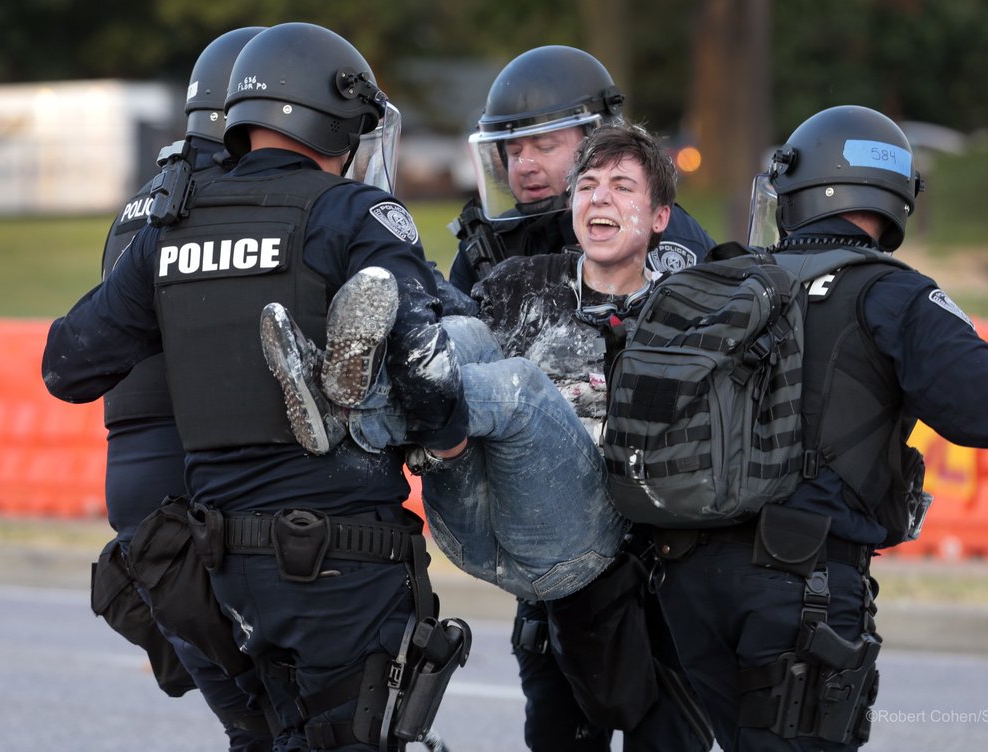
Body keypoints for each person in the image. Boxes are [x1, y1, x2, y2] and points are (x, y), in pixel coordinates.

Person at [648, 104, 988, 751]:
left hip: (681, 588)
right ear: (891, 199)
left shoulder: (721, 282)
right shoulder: (891, 295)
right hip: (799, 587)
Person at [42, 22, 470, 752]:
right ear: (335, 117)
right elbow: (427, 369)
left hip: (223, 566)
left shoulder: (168, 228)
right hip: (340, 552)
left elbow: (68, 366)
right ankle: (330, 382)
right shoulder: (355, 212)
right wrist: (450, 438)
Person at [262, 123, 710, 751]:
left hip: (585, 546)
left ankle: (353, 415)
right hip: (476, 525)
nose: (599, 199)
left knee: (521, 386)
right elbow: (450, 347)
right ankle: (344, 400)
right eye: (586, 185)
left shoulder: (686, 310)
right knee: (466, 339)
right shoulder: (519, 282)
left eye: (621, 186)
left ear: (660, 216)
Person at [88, 27, 278, 752]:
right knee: (286, 720)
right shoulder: (233, 199)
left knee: (248, 718)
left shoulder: (147, 199)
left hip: (139, 498)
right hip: (207, 484)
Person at [450, 44, 714, 294]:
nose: (524, 166)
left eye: (545, 147)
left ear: (599, 142)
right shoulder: (486, 248)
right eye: (514, 151)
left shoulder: (652, 229)